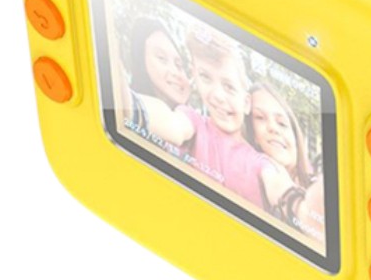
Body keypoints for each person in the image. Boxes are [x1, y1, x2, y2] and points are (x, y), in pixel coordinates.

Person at [138, 27, 294, 211]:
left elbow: (278, 186)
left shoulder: (260, 162)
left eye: (229, 87)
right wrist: (127, 104)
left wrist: (296, 205)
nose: (218, 96)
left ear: (246, 103)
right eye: (205, 78)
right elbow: (172, 125)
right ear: (195, 78)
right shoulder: (192, 121)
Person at [245, 83, 326, 241]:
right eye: (260, 118)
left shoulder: (317, 178)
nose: (273, 128)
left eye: (282, 123)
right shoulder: (262, 173)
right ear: (250, 130)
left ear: (295, 137)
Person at [124, 17, 191, 132]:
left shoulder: (200, 125)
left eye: (179, 65)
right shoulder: (123, 110)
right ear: (141, 64)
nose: (175, 72)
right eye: (162, 58)